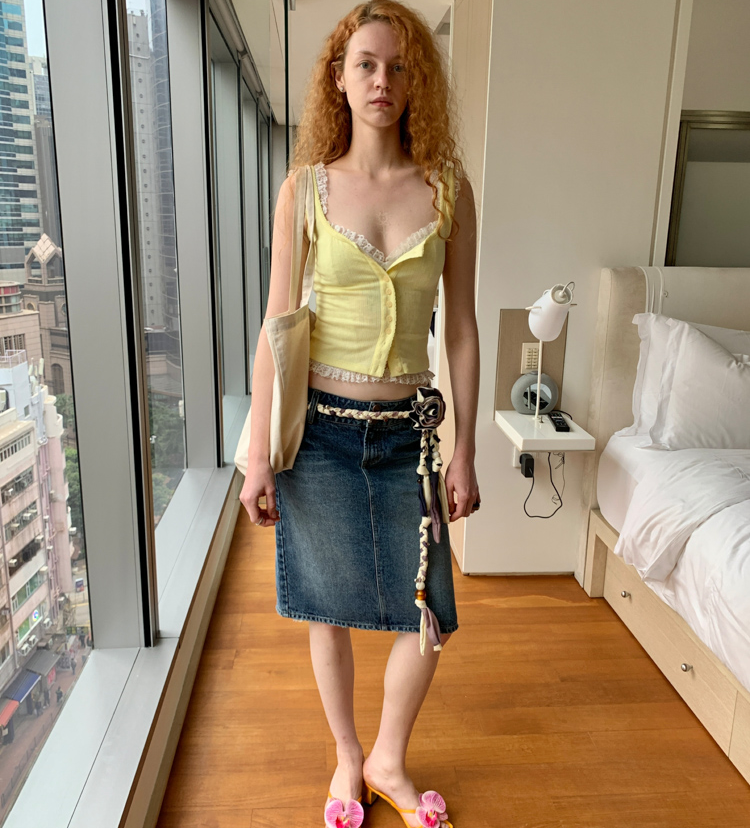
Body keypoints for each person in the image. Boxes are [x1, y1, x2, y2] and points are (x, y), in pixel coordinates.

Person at [240, 3, 479, 826]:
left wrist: (466, 450)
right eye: (367, 64)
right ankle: (348, 757)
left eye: (400, 66)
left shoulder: (448, 190)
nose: (383, 80)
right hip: (321, 434)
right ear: (338, 79)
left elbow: (463, 326)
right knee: (328, 605)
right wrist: (258, 453)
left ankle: (389, 757)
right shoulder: (304, 190)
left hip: (413, 436)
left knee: (430, 612)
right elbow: (277, 324)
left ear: (418, 82)